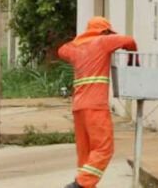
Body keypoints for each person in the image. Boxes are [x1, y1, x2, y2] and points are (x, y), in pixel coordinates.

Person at [58, 16, 137, 188]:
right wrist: (133, 61)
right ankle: (80, 184)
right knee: (103, 148)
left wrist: (81, 39)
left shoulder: (76, 48)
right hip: (96, 106)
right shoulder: (102, 42)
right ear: (105, 31)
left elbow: (62, 50)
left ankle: (84, 185)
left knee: (86, 154)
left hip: (78, 107)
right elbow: (130, 40)